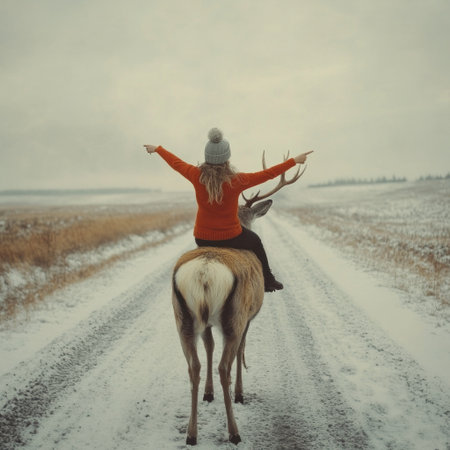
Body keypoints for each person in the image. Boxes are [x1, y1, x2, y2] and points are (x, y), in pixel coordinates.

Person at [144, 128, 313, 292]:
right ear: (227, 158)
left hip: (202, 239)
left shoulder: (195, 175)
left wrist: (158, 149)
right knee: (255, 241)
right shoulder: (237, 180)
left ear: (206, 157)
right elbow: (268, 174)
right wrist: (294, 161)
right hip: (231, 237)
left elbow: (176, 163)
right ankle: (267, 280)